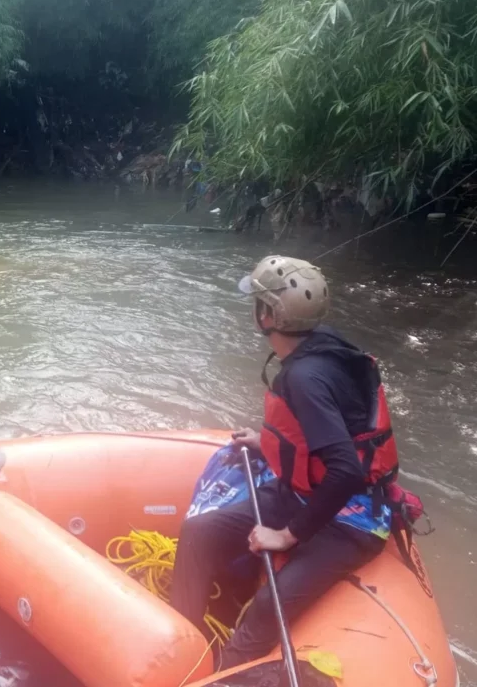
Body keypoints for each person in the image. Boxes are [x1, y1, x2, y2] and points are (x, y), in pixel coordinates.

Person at [170, 255, 400, 671]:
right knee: (200, 531)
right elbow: (330, 430)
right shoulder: (322, 346)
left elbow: (347, 470)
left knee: (267, 605)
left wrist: (288, 536)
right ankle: (182, 650)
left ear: (267, 315)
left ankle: (219, 675)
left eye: (257, 303)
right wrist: (265, 444)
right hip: (304, 491)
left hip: (352, 519)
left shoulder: (304, 377)